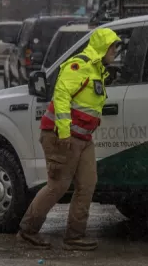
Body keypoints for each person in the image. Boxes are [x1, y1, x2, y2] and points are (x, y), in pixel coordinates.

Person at [17, 27, 122, 251]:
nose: (115, 51)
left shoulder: (97, 70)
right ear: (102, 47)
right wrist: (63, 132)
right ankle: (28, 230)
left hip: (82, 139)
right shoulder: (80, 66)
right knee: (58, 186)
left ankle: (75, 236)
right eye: (112, 46)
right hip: (61, 137)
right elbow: (61, 96)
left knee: (87, 184)